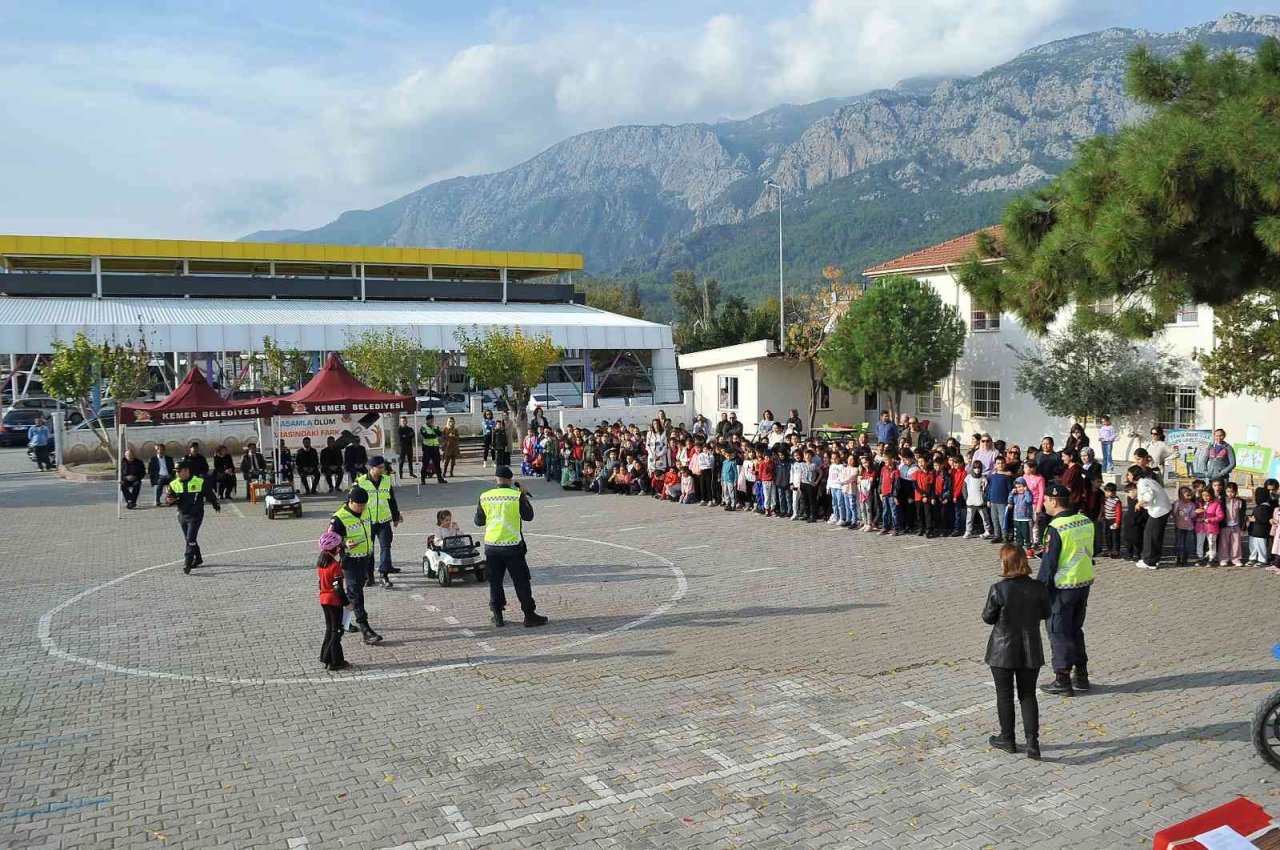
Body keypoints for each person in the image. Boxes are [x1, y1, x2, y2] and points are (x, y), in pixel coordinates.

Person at [982, 544, 1051, 759]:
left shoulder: (999, 589)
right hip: (1030, 649)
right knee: (1028, 695)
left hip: (1002, 651)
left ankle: (1008, 739)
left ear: (1006, 563)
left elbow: (987, 617)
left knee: (1004, 696)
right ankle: (1032, 743)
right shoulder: (1039, 587)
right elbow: (1046, 613)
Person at [1036, 482, 1094, 697]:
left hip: (1062, 588)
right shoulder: (1085, 520)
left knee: (1058, 633)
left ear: (1053, 501)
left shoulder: (1056, 527)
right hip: (1083, 582)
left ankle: (1062, 679)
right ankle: (1081, 675)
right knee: (1075, 630)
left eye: (1045, 500)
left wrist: (1037, 591)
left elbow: (1049, 565)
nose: (1043, 503)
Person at [474, 465, 547, 628]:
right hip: (512, 545)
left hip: (492, 545)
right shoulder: (516, 496)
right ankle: (529, 615)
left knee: (495, 581)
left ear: (496, 479)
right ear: (511, 480)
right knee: (521, 580)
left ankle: (498, 615)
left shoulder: (485, 496)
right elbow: (529, 516)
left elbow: (478, 521)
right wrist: (523, 494)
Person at [328, 487, 383, 644]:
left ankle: (343, 622)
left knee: (353, 593)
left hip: (365, 558)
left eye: (364, 505)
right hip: (350, 561)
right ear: (350, 501)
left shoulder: (365, 510)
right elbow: (328, 540)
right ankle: (366, 630)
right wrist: (345, 544)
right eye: (359, 505)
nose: (362, 508)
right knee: (356, 594)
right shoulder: (338, 518)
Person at [355, 456, 402, 588]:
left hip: (383, 520)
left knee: (386, 547)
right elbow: (353, 501)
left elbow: (391, 500)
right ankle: (369, 576)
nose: (383, 470)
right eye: (380, 467)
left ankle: (384, 575)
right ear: (371, 467)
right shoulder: (360, 481)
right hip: (367, 522)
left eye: (383, 467)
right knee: (368, 550)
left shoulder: (386, 480)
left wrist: (396, 516)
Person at [166, 460, 220, 573]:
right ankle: (198, 558)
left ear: (186, 471)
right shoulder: (173, 483)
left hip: (196, 514)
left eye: (179, 471)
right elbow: (169, 498)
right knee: (189, 539)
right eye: (176, 471)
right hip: (182, 515)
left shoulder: (199, 482)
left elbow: (210, 495)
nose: (177, 474)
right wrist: (169, 500)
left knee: (190, 539)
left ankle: (187, 562)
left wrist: (216, 505)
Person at [316, 531, 350, 671]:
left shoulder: (321, 563)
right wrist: (346, 602)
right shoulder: (334, 566)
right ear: (334, 549)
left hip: (323, 599)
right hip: (333, 601)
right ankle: (333, 660)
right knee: (336, 631)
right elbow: (338, 587)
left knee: (330, 629)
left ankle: (327, 657)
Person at [1133, 464, 1172, 570]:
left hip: (1159, 510)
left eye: (1128, 474)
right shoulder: (1147, 480)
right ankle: (1154, 558)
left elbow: (1148, 496)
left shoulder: (1143, 482)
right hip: (1161, 509)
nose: (1127, 477)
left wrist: (1139, 503)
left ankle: (1149, 561)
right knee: (1155, 534)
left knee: (1150, 535)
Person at [1248, 487, 1275, 567]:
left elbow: (1264, 519)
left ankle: (1262, 560)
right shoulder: (1260, 506)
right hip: (1254, 531)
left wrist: (1254, 519)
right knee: (1253, 545)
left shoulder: (1265, 507)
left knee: (1261, 546)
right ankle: (1252, 558)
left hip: (1261, 531)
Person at [1172, 486, 1197, 566]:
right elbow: (1174, 514)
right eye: (1187, 495)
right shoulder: (1177, 503)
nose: (1189, 497)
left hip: (1189, 527)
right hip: (1179, 527)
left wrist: (1195, 512)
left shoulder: (1192, 504)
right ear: (1181, 495)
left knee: (1187, 543)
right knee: (1179, 543)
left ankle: (1185, 558)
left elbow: (1192, 516)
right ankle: (1178, 558)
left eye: (1190, 495)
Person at [419, 414, 447, 484]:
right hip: (427, 447)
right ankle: (423, 479)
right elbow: (426, 436)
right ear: (427, 420)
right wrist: (434, 434)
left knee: (437, 463)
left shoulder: (435, 426)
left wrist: (433, 429)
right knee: (425, 464)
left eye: (432, 419)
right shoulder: (423, 427)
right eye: (430, 419)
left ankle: (440, 478)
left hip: (435, 447)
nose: (432, 421)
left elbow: (440, 433)